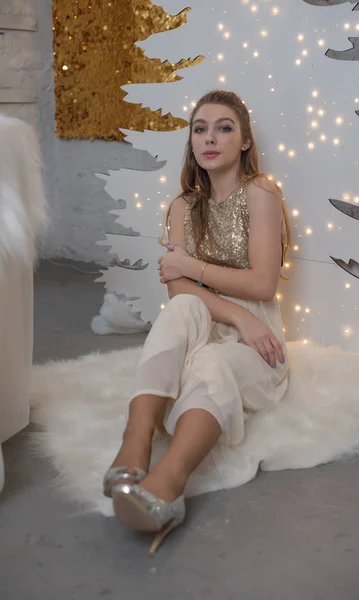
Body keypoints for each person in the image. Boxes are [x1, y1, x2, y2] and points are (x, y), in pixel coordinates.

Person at [103, 90, 291, 556]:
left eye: (224, 127)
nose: (210, 138)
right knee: (183, 310)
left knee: (212, 365)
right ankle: (136, 440)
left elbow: (264, 283)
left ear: (245, 141)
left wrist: (191, 266)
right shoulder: (182, 206)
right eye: (200, 128)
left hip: (256, 340)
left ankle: (169, 481)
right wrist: (232, 311)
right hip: (219, 318)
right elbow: (178, 291)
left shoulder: (261, 194)